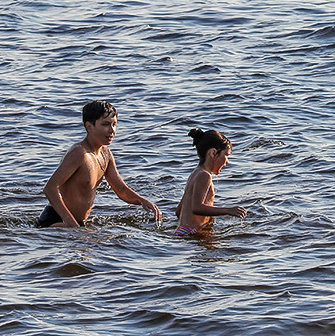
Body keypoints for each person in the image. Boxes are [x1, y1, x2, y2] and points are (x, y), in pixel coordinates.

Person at [35, 100, 162, 228]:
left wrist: (142, 201)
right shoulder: (79, 153)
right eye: (106, 124)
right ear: (89, 127)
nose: (112, 130)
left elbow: (121, 189)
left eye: (114, 124)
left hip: (76, 223)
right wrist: (70, 223)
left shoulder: (106, 154)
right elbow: (50, 188)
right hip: (56, 220)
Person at [175, 128, 248, 236]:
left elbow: (178, 211)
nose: (227, 161)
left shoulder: (195, 174)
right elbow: (197, 208)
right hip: (191, 232)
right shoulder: (204, 176)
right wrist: (228, 210)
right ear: (213, 153)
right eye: (226, 155)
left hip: (183, 230)